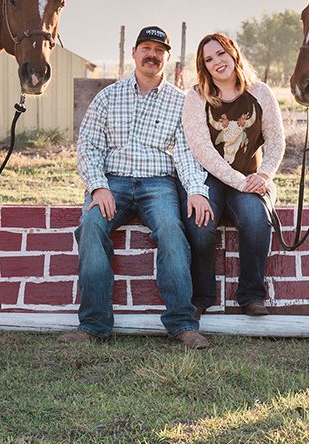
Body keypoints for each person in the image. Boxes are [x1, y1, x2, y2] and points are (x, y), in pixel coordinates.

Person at [60, 25, 212, 349]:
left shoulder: (180, 102)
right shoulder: (108, 97)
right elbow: (88, 146)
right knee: (90, 225)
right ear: (134, 53)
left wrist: (197, 190)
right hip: (112, 181)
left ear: (167, 58)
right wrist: (98, 187)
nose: (152, 55)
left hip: (158, 183)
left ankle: (183, 325)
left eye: (159, 50)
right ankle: (93, 325)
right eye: (146, 48)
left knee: (172, 229)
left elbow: (186, 154)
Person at [180, 32, 285, 316]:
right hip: (209, 178)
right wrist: (241, 182)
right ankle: (201, 296)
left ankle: (251, 296)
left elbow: (276, 141)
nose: (217, 62)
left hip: (251, 177)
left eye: (221, 54)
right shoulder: (197, 97)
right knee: (200, 225)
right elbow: (202, 149)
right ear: (204, 67)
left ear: (233, 53)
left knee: (256, 220)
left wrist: (263, 176)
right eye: (209, 59)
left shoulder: (260, 92)